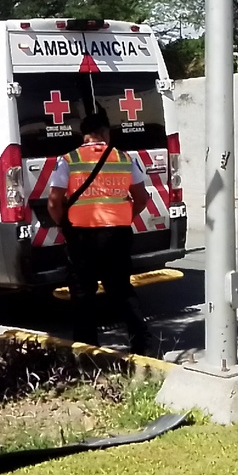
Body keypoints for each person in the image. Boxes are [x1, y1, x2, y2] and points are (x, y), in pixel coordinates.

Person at [47, 110, 152, 355]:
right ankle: (142, 344)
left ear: (84, 136)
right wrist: (125, 217)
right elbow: (142, 197)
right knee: (122, 290)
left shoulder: (68, 160)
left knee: (83, 294)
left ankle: (86, 351)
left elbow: (53, 202)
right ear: (106, 132)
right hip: (116, 235)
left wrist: (65, 223)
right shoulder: (124, 158)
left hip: (81, 236)